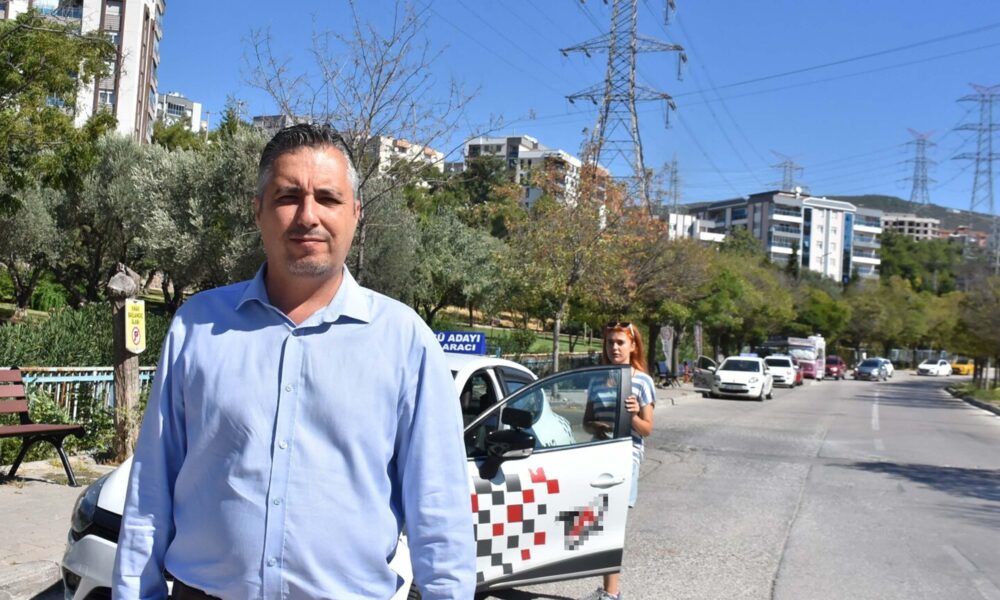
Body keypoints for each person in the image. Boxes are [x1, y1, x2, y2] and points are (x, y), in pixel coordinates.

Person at [113, 124, 475, 599]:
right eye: (288, 197)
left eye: (328, 198)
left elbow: (440, 512)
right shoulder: (197, 327)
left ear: (356, 213)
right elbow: (151, 486)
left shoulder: (406, 342)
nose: (308, 216)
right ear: (258, 211)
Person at [581, 321, 655, 600]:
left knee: (612, 522)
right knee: (595, 522)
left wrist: (633, 415)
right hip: (598, 451)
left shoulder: (642, 381)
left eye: (620, 342)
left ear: (633, 346)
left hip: (625, 454)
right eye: (610, 342)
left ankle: (611, 593)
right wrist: (597, 425)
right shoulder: (597, 379)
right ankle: (607, 590)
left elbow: (647, 429)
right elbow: (587, 422)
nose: (614, 347)